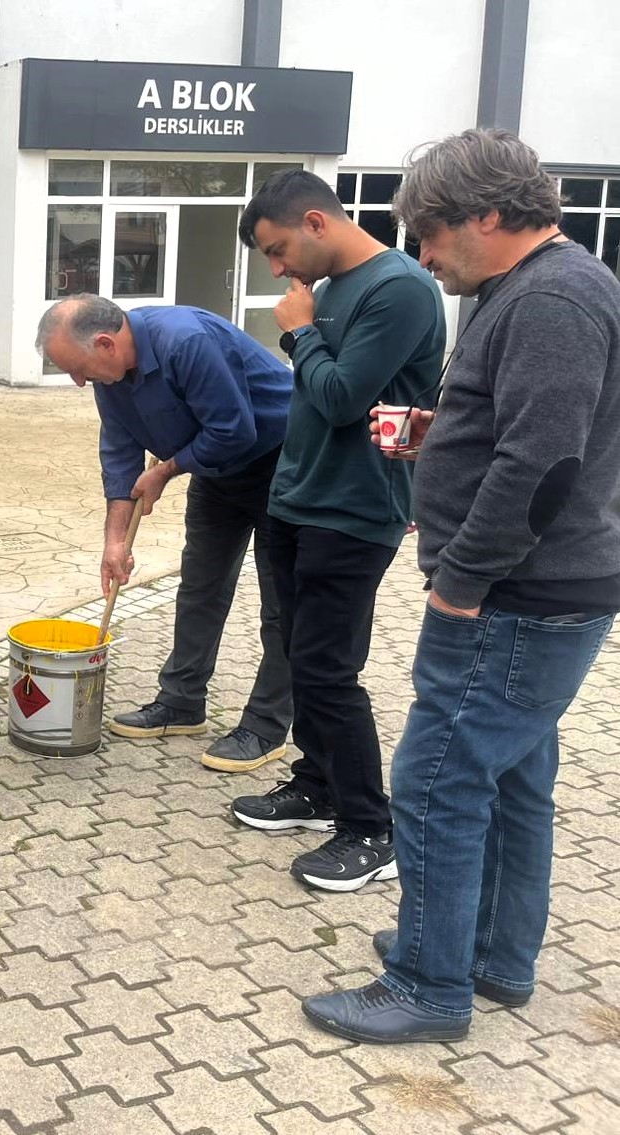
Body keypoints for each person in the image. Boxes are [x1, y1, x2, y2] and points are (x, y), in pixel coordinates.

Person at [304, 128, 620, 1043]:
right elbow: (527, 428)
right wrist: (441, 430)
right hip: (543, 590)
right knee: (513, 775)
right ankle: (489, 955)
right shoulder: (535, 289)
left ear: (488, 213)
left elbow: (543, 462)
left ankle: (427, 986)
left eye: (432, 234)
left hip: (515, 597)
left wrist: (460, 584)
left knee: (437, 778)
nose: (425, 256)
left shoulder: (553, 297)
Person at [232, 170, 445, 891]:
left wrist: (298, 335)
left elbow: (345, 397)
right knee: (300, 652)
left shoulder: (401, 289)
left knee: (329, 668)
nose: (278, 269)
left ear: (317, 221)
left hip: (355, 508)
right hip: (300, 497)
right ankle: (317, 784)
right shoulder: (328, 290)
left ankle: (369, 827)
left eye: (278, 248)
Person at [35, 295, 294, 773]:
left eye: (78, 369)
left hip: (283, 462)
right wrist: (115, 543)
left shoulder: (185, 341)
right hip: (218, 472)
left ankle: (265, 724)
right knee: (200, 586)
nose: (77, 381)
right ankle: (181, 702)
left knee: (281, 602)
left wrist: (167, 471)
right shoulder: (110, 375)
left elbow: (235, 428)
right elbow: (119, 453)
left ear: (107, 343)